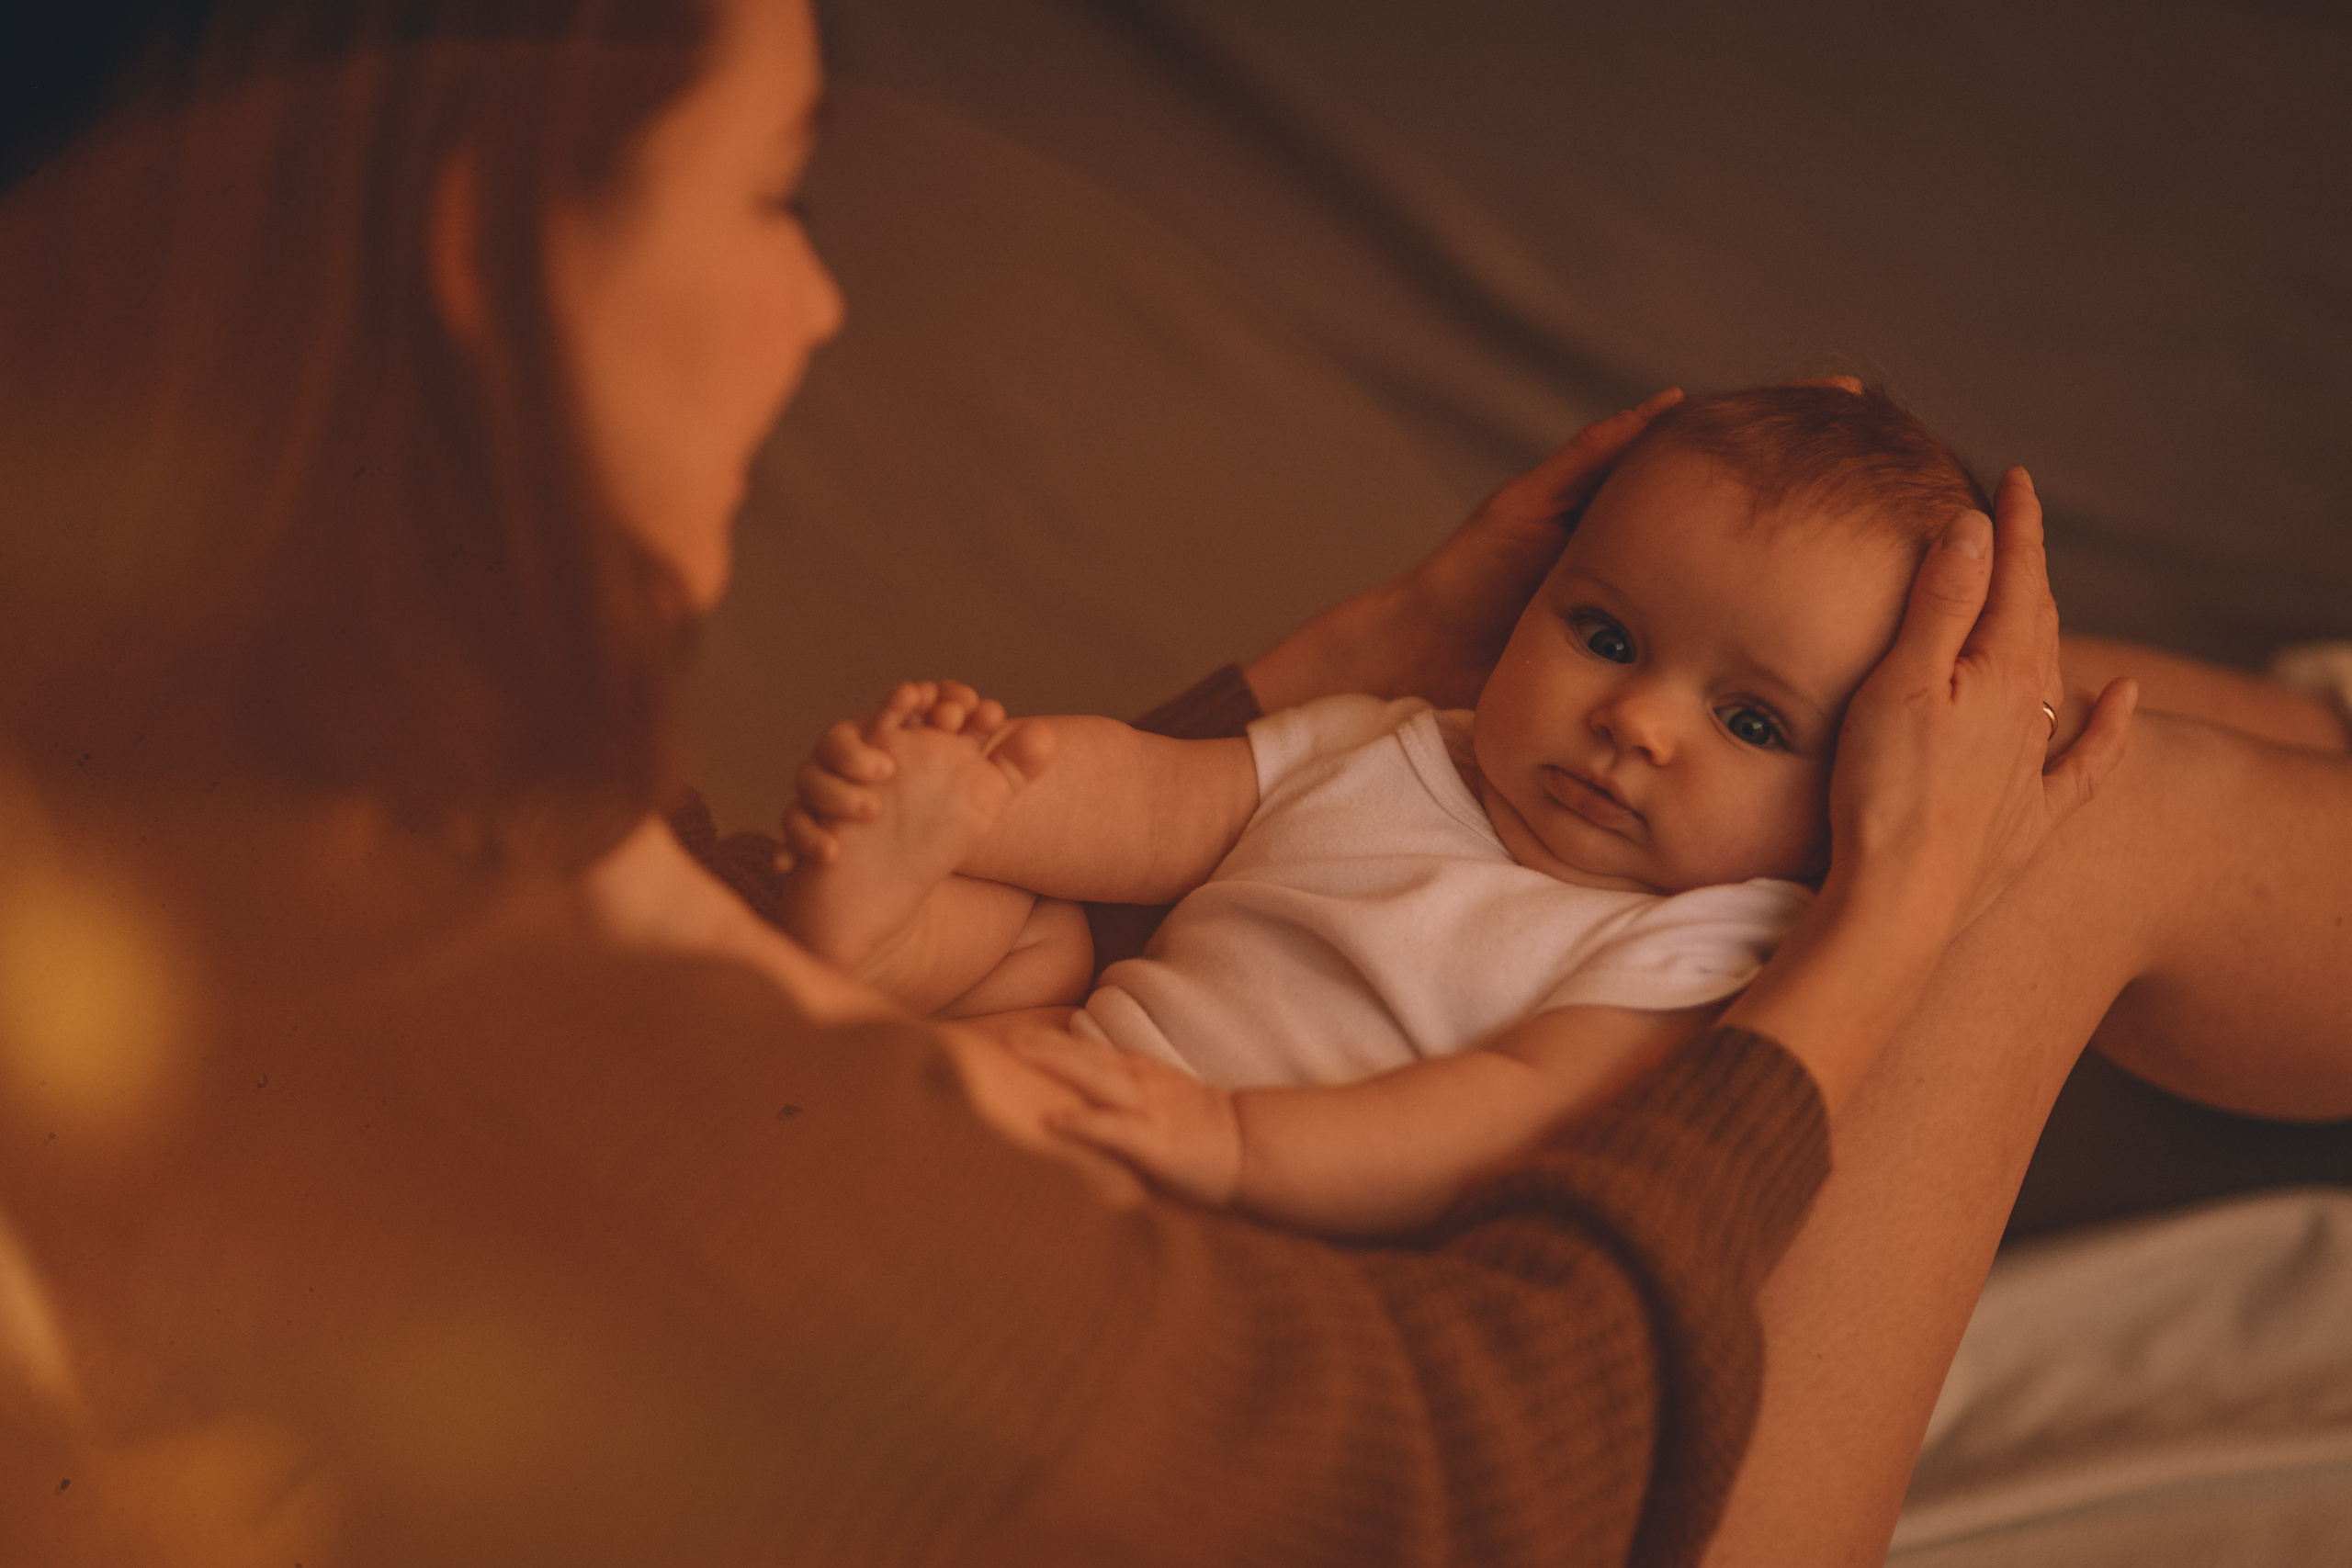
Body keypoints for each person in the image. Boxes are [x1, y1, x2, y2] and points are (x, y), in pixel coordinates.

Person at [0, 4, 2342, 1568]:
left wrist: (1341, 686)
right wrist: (1869, 949)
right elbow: (1503, 1453)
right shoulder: (731, 1171)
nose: (819, 304)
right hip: (1506, 1392)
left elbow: (1091, 849)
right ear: (481, 258)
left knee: (1879, 675)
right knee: (2063, 788)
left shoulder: (282, 823)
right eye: (772, 194)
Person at [771, 386, 2013, 1235]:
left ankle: (842, 1022)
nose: (1638, 720)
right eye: (1606, 634)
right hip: (1090, 1063)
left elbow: (1513, 1110)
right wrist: (977, 801)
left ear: (1855, 790)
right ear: (1532, 605)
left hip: (1253, 1215)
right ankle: (872, 935)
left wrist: (1239, 1143)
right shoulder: (1402, 746)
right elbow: (1160, 798)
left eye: (1751, 722)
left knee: (926, 1106)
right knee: (1034, 924)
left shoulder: (1702, 945)